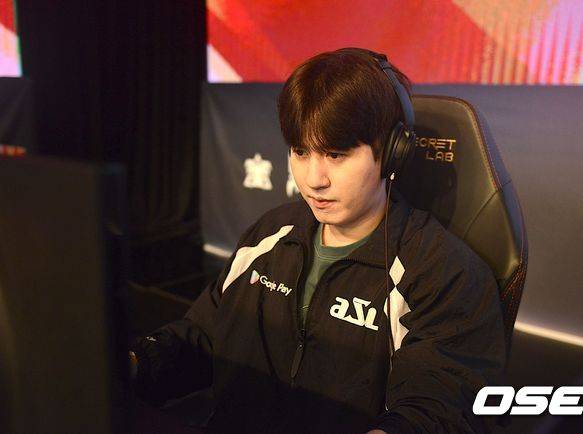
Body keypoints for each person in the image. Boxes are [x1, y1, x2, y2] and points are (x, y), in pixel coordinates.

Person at [130, 48, 506, 433]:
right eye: (300, 151)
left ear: (393, 152)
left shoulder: (443, 274)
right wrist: (135, 363)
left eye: (336, 154)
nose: (313, 180)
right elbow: (205, 336)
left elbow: (437, 412)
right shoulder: (270, 234)